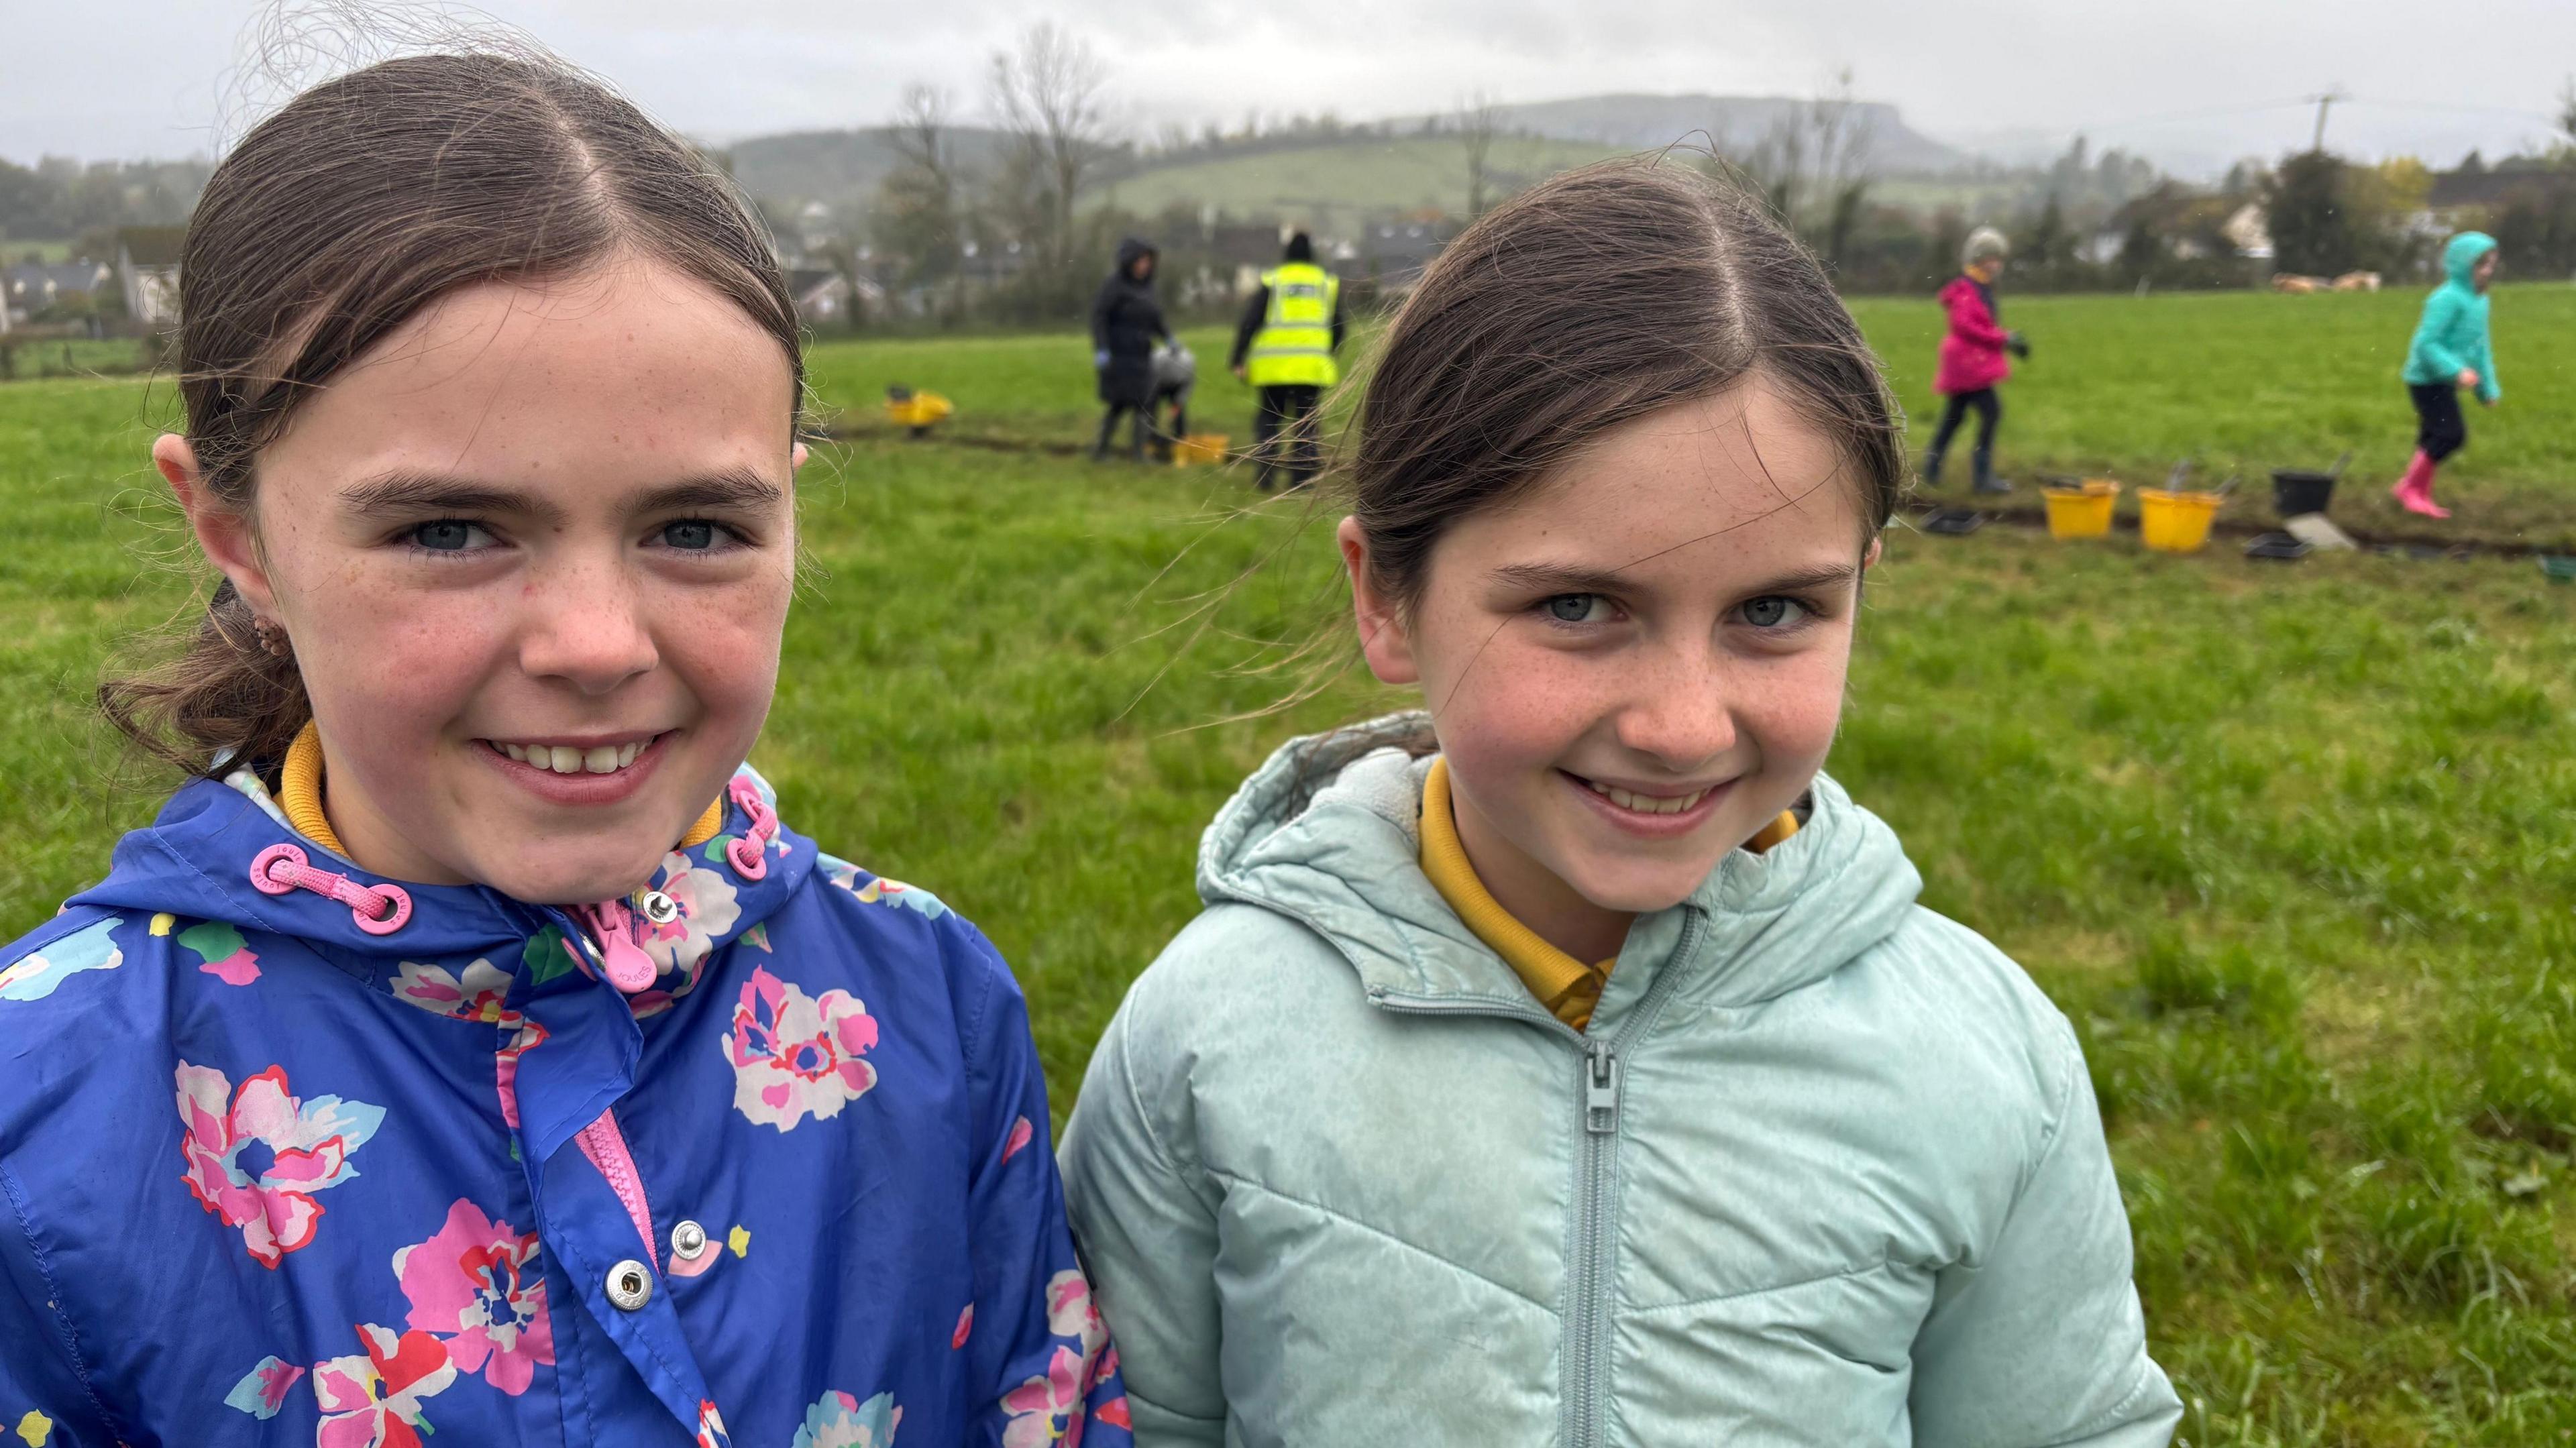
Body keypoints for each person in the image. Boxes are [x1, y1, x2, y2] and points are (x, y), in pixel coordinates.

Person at [0, 53, 1132, 1447]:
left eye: (696, 529)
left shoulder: (930, 1005)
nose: (595, 644)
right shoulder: (42, 1116)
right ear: (235, 533)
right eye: (449, 531)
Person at [1060, 160, 2178, 1446]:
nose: (1682, 724)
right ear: (1385, 597)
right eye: (1577, 607)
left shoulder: (1986, 1057)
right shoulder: (1205, 1038)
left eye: (1776, 610)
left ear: (1861, 586)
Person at [2393, 231, 2502, 520]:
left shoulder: (2480, 301)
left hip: (2445, 381)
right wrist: (2455, 370)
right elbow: (2426, 344)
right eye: (2482, 265)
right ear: (2463, 266)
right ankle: (2410, 490)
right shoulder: (2445, 299)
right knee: (2450, 435)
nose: (2487, 271)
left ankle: (2414, 491)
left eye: (2491, 264)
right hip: (2426, 380)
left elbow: (2481, 347)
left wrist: (2487, 389)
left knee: (2433, 436)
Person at [1228, 231, 1344, 490]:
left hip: (1274, 369)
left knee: (1269, 422)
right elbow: (1339, 327)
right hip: (1310, 370)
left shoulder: (1274, 280)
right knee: (1306, 426)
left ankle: (1265, 478)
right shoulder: (1325, 282)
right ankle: (1302, 481)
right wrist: (1327, 353)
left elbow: (1251, 321)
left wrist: (1238, 357)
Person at [1923, 226, 2029, 494]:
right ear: (1980, 258)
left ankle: (1932, 468)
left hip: (1969, 364)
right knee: (1991, 413)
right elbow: (1965, 326)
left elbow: (1980, 325)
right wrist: (2004, 339)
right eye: (1994, 257)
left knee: (1954, 417)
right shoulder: (1968, 289)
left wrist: (2006, 338)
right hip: (1968, 366)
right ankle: (1983, 478)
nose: (1998, 264)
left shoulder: (1981, 288)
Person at [1092, 237, 1172, 463]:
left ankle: (1139, 452)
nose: (1145, 265)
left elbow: (1155, 318)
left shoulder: (1148, 288)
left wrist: (1168, 338)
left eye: (1148, 260)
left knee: (1143, 404)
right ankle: (1101, 451)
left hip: (1141, 355)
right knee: (1118, 404)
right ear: (1129, 262)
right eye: (1141, 260)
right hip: (1119, 355)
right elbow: (1099, 317)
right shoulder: (1114, 286)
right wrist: (1102, 348)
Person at [1147, 339, 1195, 463]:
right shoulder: (1157, 360)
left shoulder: (1188, 361)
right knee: (1150, 410)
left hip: (1177, 386)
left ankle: (1179, 439)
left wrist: (1177, 404)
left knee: (1179, 412)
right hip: (1157, 383)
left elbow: (1187, 385)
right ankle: (1150, 438)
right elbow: (1150, 384)